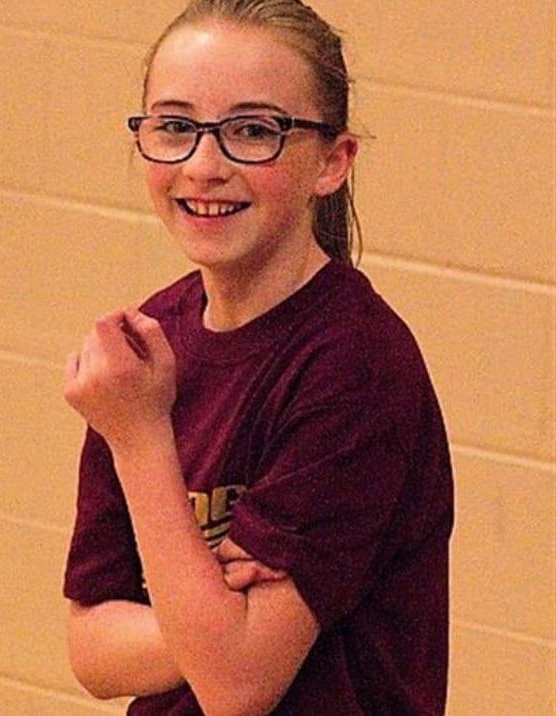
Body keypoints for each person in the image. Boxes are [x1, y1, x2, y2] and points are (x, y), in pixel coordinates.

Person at [61, 1, 454, 714]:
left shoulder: (355, 366)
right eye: (175, 127)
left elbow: (238, 683)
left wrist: (141, 436)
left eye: (252, 132)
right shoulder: (144, 350)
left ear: (332, 161)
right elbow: (91, 649)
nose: (204, 167)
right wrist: (213, 617)